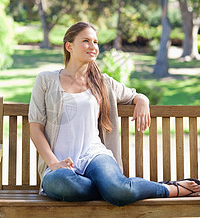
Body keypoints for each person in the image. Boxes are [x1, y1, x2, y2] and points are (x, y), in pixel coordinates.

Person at [28, 21, 200, 207]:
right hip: (59, 167)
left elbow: (134, 95)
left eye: (95, 42)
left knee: (120, 191)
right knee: (64, 183)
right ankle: (109, 188)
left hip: (93, 156)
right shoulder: (46, 80)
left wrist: (143, 100)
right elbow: (36, 127)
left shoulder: (102, 82)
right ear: (69, 46)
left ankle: (169, 189)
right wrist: (54, 164)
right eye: (86, 41)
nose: (93, 46)